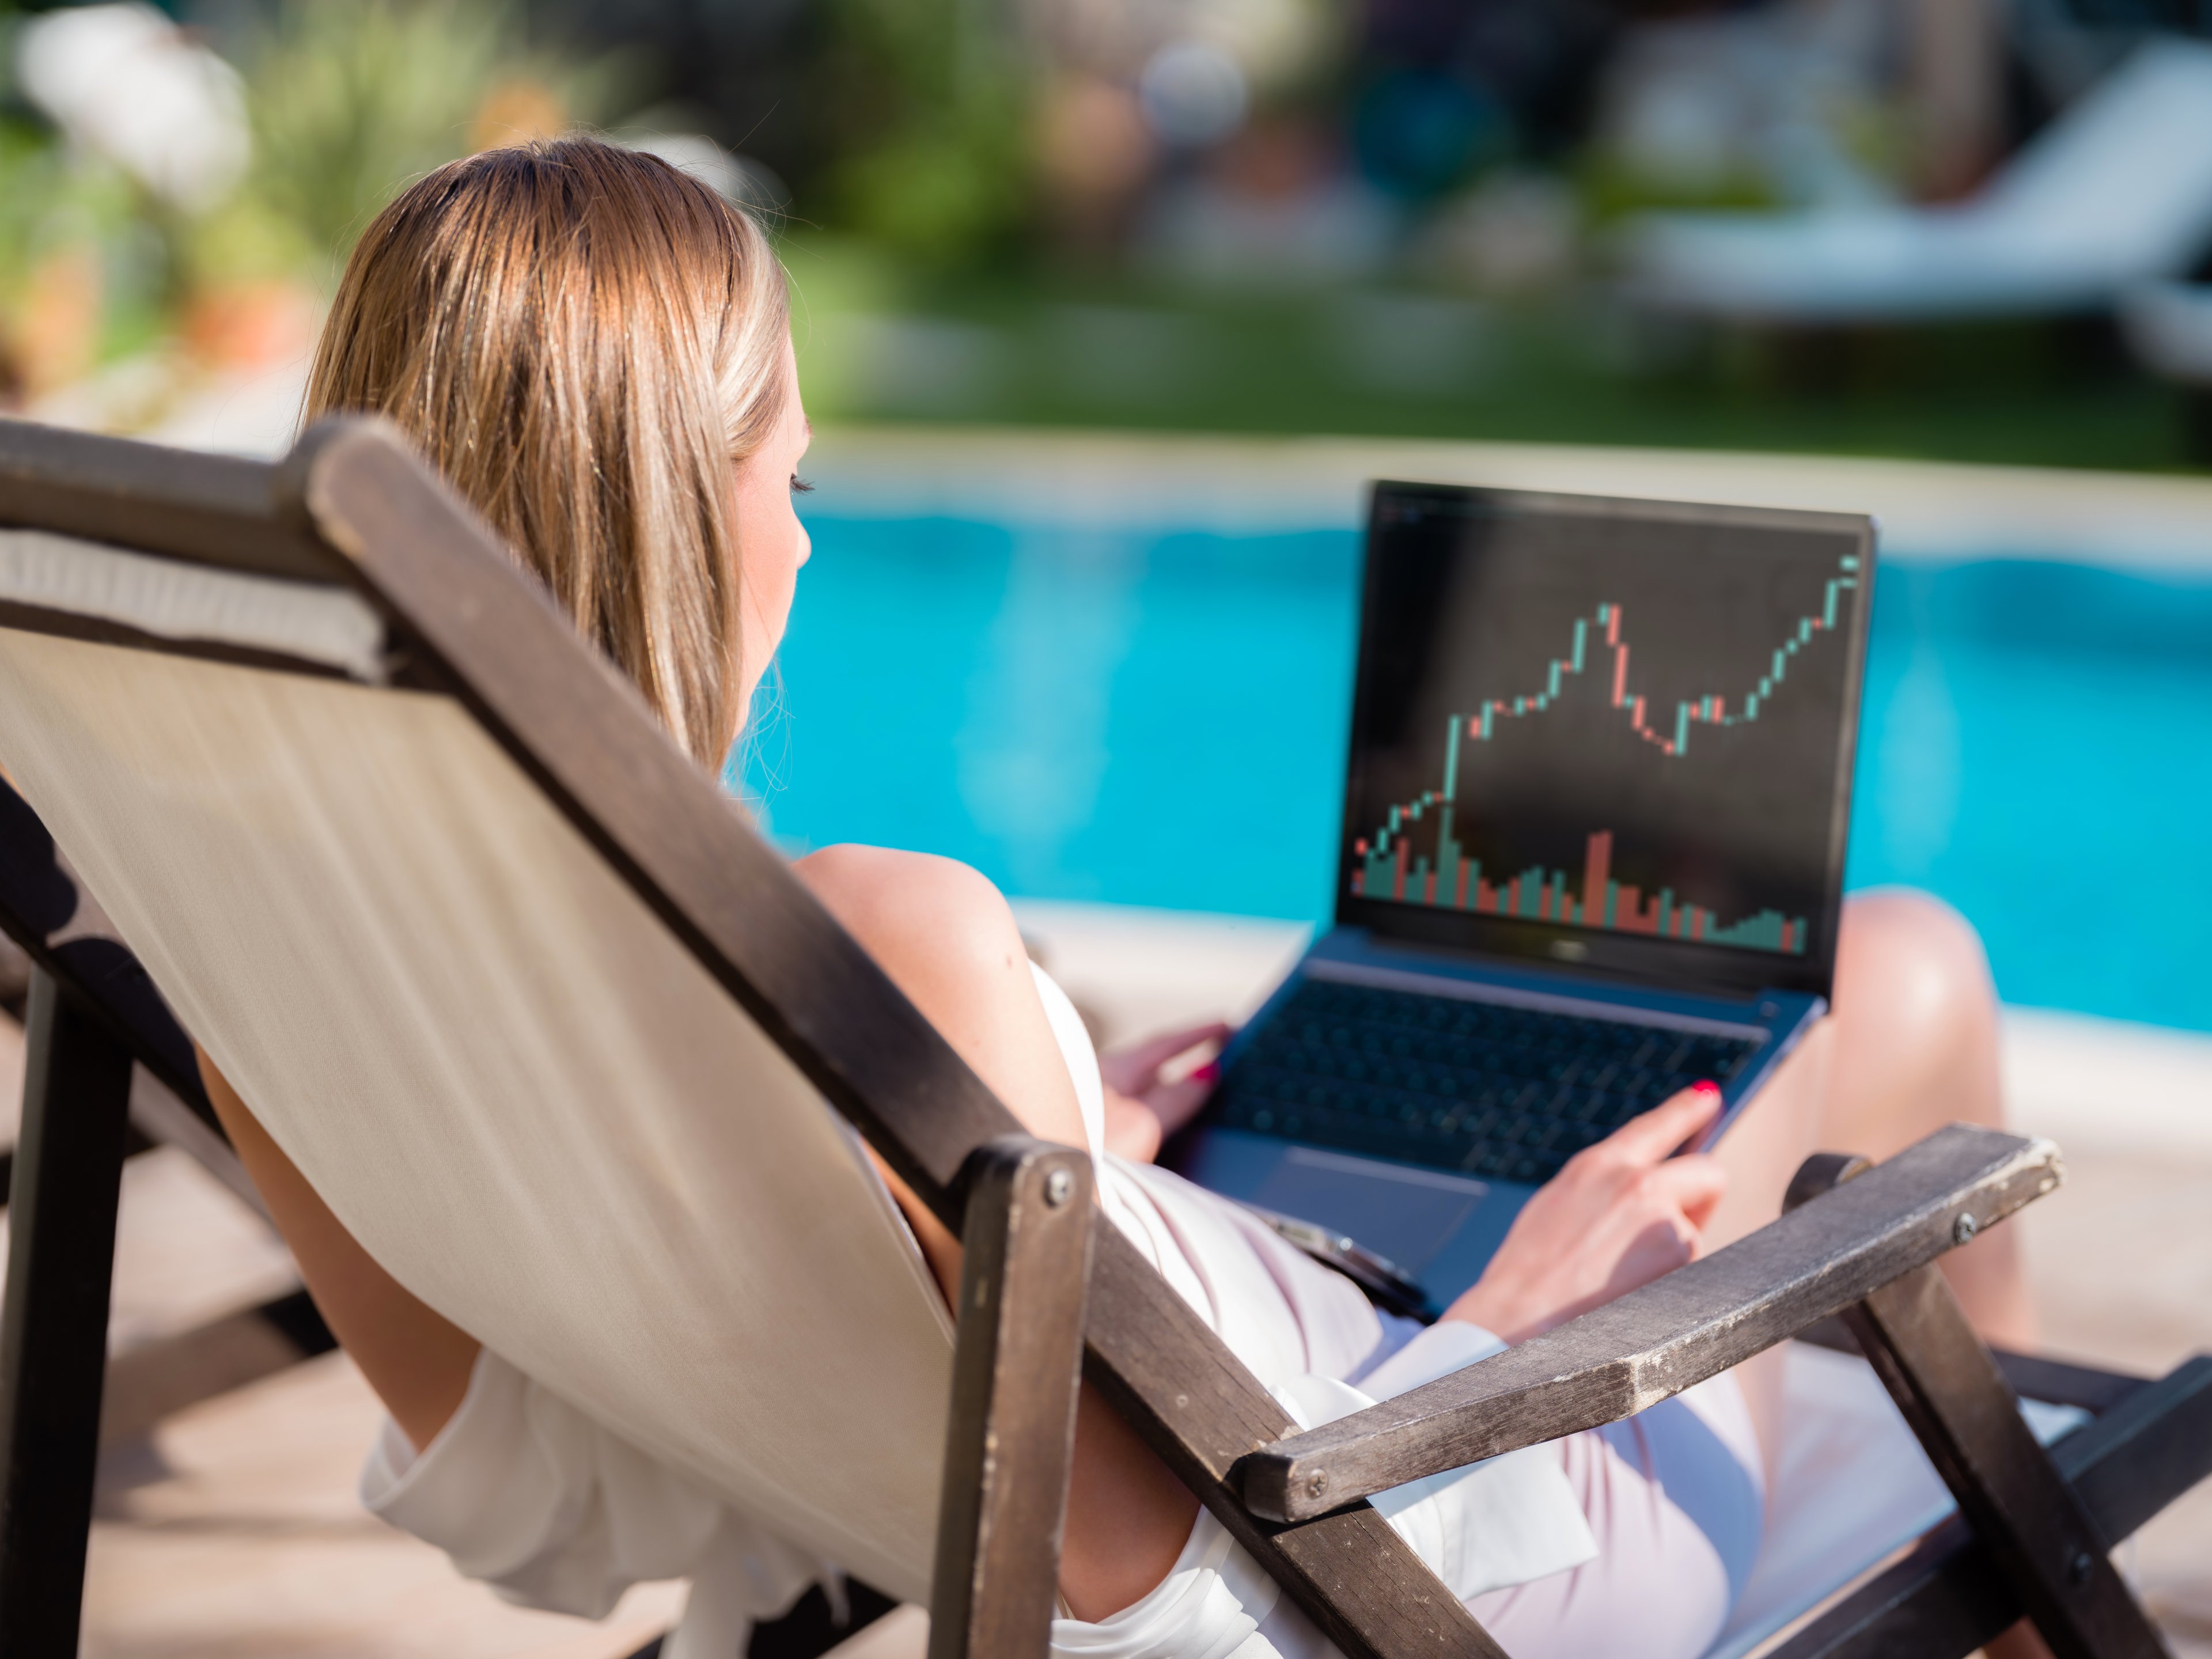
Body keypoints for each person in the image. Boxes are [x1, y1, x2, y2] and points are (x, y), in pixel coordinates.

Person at [195, 137, 2040, 1659]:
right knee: (1900, 974)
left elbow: (520, 1488)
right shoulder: (886, 944)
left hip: (1217, 1382)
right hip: (1477, 1543)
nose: (814, 535)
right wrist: (1535, 1322)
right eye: (796, 474)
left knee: (1838, 987)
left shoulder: (300, 966)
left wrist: (1070, 1193)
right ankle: (2036, 1581)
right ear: (679, 513)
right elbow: (1147, 1591)